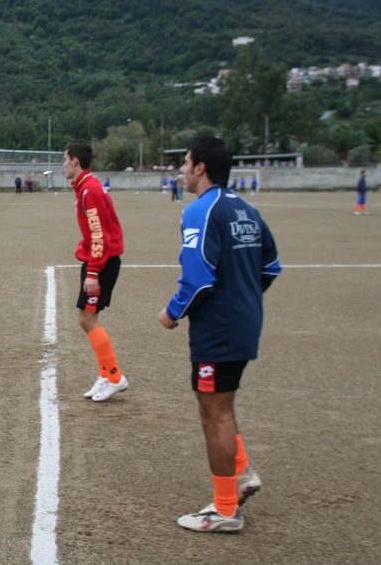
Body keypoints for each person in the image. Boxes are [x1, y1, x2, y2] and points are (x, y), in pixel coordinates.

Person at [158, 136, 282, 533]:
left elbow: (198, 278)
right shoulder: (246, 208)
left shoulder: (200, 210)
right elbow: (270, 266)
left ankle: (226, 509)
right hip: (243, 321)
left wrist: (172, 312)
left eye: (185, 162)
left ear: (200, 168)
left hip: (219, 328)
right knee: (220, 406)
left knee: (214, 412)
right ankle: (242, 473)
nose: (181, 170)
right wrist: (243, 297)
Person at [63, 140, 128, 402]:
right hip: (98, 259)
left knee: (87, 320)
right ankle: (105, 374)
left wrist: (92, 272)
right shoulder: (85, 187)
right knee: (86, 319)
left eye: (65, 160)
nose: (64, 165)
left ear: (75, 161)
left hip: (101, 262)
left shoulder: (89, 190)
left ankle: (114, 376)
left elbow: (99, 234)